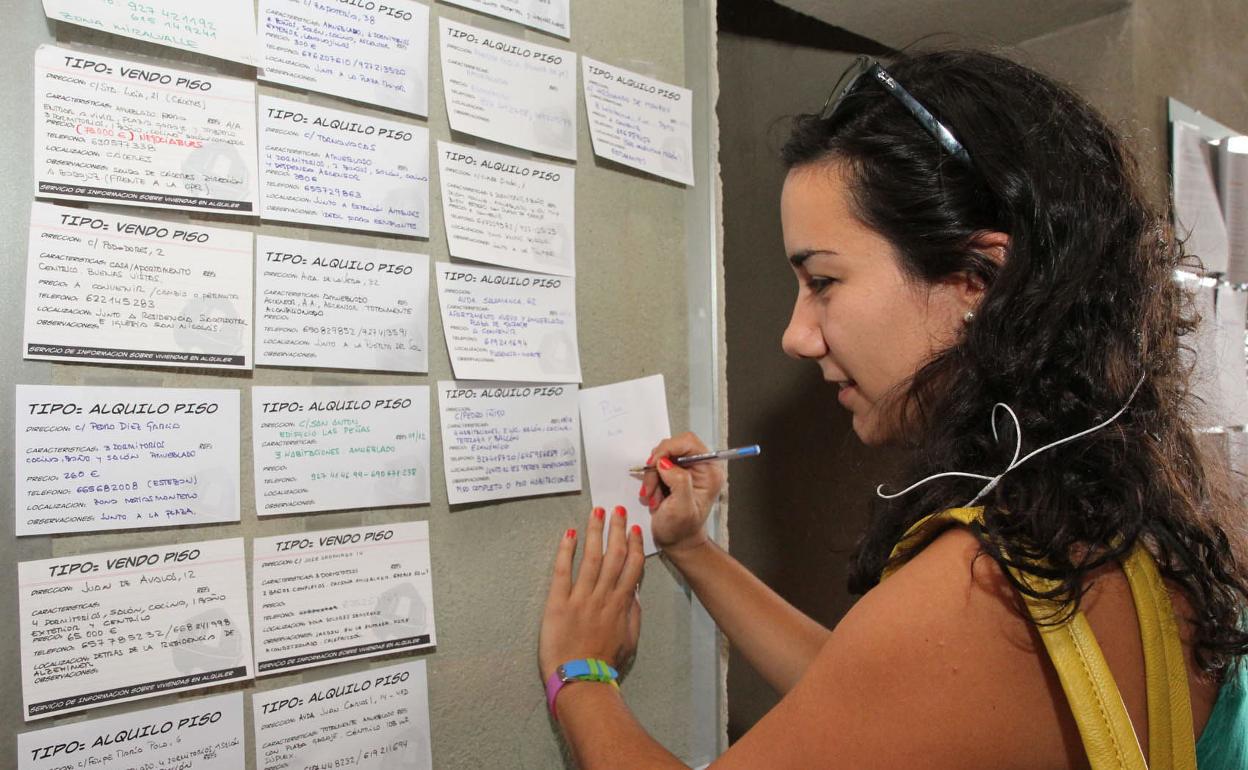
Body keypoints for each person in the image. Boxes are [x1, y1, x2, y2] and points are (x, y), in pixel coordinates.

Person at [538, 49, 1248, 768]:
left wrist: (580, 673)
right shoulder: (1110, 524)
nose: (795, 336)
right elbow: (870, 702)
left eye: (823, 281)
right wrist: (694, 550)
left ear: (977, 278)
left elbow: (897, 681)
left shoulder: (985, 586)